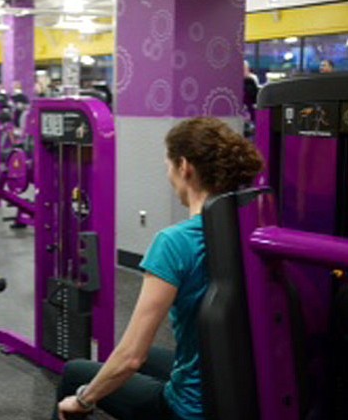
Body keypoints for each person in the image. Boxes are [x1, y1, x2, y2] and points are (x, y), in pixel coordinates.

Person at [54, 117, 264, 420]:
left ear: (184, 166)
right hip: (242, 388)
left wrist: (84, 401)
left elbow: (130, 358)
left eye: (168, 165)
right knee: (150, 357)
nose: (168, 174)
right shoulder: (249, 227)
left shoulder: (174, 243)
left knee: (76, 373)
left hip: (191, 410)